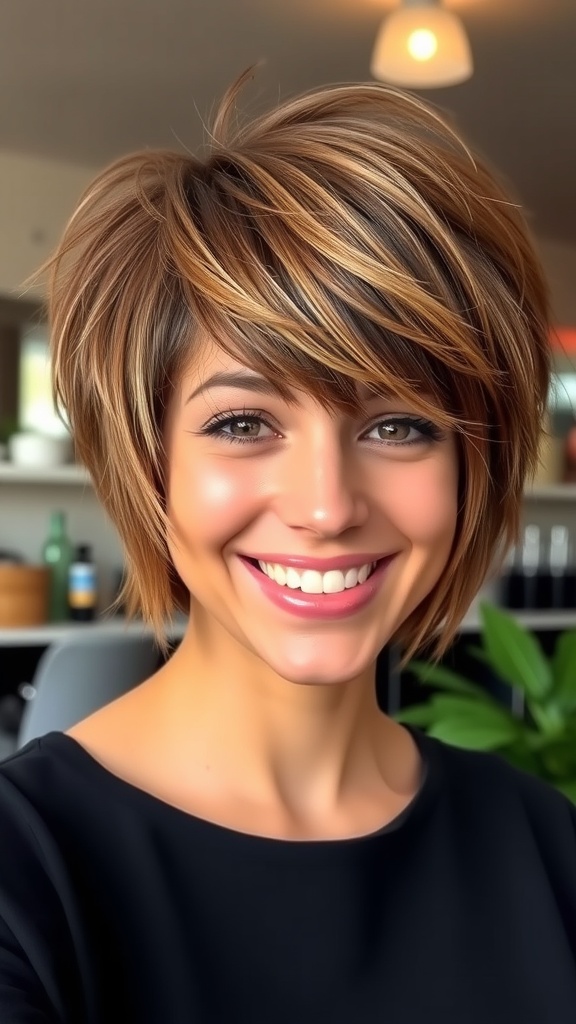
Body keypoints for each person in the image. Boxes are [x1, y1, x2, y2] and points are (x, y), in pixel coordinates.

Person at [0, 71, 574, 1024]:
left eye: (399, 426)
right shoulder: (28, 878)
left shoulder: (544, 845)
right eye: (240, 423)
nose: (325, 507)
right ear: (150, 462)